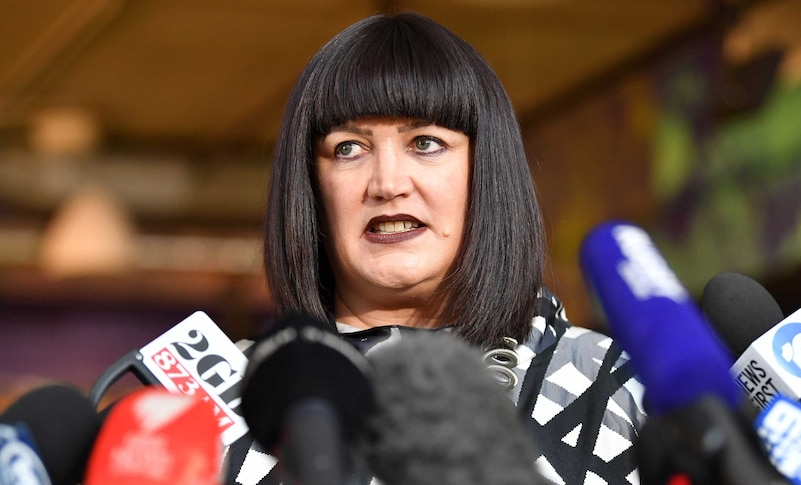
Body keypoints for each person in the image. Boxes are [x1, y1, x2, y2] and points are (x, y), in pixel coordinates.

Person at [226, 11, 646, 485]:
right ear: (310, 186)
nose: (387, 183)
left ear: (487, 171)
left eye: (425, 143)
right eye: (348, 149)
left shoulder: (619, 388)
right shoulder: (224, 399)